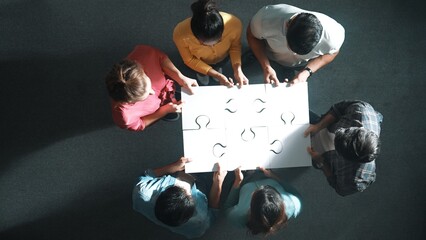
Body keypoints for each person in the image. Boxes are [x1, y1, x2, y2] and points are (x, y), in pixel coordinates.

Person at [247, 4, 345, 86]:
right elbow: (252, 35)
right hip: (269, 53)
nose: (293, 54)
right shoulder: (265, 20)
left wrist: (306, 72)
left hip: (301, 64)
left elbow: (332, 53)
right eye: (290, 47)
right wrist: (266, 66)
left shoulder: (334, 35)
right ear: (287, 25)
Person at [105, 45, 198, 131]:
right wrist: (163, 111)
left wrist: (180, 77)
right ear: (129, 102)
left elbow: (161, 58)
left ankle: (170, 98)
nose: (153, 92)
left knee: (172, 98)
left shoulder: (144, 54)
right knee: (167, 109)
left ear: (142, 70)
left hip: (166, 91)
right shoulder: (124, 115)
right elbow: (140, 124)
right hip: (155, 111)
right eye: (145, 96)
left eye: (149, 85)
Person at [132, 157, 227, 239]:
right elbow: (213, 211)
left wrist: (173, 166)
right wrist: (218, 183)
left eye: (179, 187)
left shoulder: (142, 191)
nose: (186, 185)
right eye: (190, 194)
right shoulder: (199, 224)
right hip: (200, 182)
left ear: (164, 192)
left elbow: (147, 175)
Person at [304, 100, 383, 196]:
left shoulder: (356, 180)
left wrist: (322, 163)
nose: (334, 137)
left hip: (316, 157)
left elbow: (338, 187)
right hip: (319, 125)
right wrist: (318, 126)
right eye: (343, 131)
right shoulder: (361, 111)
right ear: (357, 128)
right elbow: (338, 109)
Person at [173, 0, 248, 87]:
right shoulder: (180, 34)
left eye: (219, 41)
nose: (212, 47)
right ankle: (203, 74)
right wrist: (217, 75)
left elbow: (235, 46)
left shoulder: (234, 24)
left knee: (220, 64)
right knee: (200, 70)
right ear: (195, 35)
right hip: (199, 59)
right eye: (204, 44)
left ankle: (215, 69)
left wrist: (237, 69)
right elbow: (190, 60)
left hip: (223, 57)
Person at [224, 167, 301, 236]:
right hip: (267, 173)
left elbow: (228, 206)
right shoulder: (292, 204)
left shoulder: (238, 216)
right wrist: (273, 177)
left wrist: (238, 182)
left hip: (245, 179)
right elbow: (297, 195)